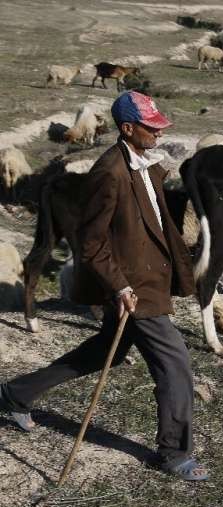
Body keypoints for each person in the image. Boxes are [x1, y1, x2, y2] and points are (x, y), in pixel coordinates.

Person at [0, 91, 207, 481]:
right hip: (133, 288)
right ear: (127, 129)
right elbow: (92, 243)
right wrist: (119, 286)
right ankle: (174, 453)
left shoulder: (143, 163)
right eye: (151, 127)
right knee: (175, 364)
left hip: (148, 279)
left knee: (103, 352)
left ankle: (15, 393)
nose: (159, 133)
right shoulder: (109, 171)